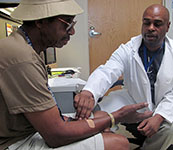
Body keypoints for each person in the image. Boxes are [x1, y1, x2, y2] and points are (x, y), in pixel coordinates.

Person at [0, 0, 153, 150]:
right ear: (40, 21)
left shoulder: (27, 48)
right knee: (119, 143)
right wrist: (116, 117)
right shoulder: (23, 58)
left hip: (31, 129)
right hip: (15, 142)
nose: (72, 31)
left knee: (99, 115)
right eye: (67, 23)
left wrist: (103, 118)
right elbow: (55, 136)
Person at [74, 4, 173, 150]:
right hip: (134, 98)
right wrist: (88, 92)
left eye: (157, 24)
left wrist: (159, 116)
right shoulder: (128, 49)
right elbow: (107, 71)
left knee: (169, 128)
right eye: (146, 22)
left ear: (167, 27)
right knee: (96, 115)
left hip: (166, 103)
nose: (151, 28)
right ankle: (108, 142)